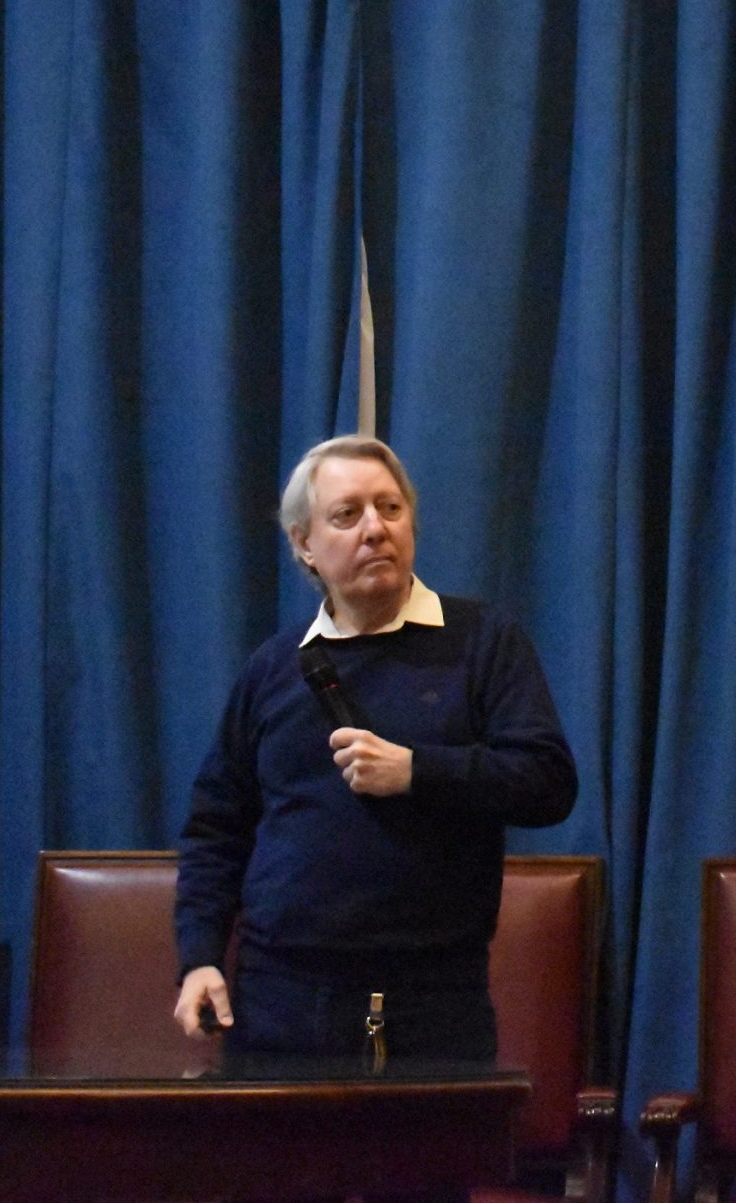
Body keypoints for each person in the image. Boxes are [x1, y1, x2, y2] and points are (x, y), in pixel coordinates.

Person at [174, 435, 578, 1077]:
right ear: (304, 544)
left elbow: (547, 783)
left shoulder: (482, 642)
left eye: (390, 508)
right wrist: (199, 957)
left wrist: (418, 770)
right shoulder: (274, 667)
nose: (375, 529)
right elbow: (216, 828)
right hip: (280, 1002)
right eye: (347, 514)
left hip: (432, 1001)